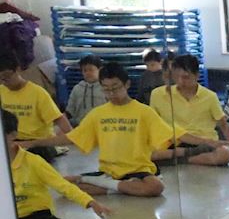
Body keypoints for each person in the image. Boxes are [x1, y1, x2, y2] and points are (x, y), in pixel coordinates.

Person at [26, 63, 171, 198]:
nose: (111, 93)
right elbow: (71, 138)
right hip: (109, 171)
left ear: (127, 84)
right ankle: (116, 187)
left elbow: (168, 135)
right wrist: (34, 143)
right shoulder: (98, 114)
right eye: (106, 89)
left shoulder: (144, 111)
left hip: (138, 169)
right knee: (63, 186)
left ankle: (105, 186)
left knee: (156, 187)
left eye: (115, 88)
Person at [5, 110, 111, 219]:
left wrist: (90, 202)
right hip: (8, 216)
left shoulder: (33, 161)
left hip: (35, 214)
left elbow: (63, 185)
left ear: (13, 135)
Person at [149, 54, 229, 167]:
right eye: (176, 77)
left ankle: (180, 159)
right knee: (145, 152)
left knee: (226, 154)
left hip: (204, 142)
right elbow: (153, 125)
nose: (180, 81)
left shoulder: (209, 96)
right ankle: (183, 157)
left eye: (186, 77)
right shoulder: (158, 94)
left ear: (197, 75)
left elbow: (224, 125)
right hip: (174, 142)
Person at [0, 50, 72, 161]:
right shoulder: (1, 91)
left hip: (37, 143)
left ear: (18, 69)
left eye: (7, 77)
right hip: (11, 142)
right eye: (0, 79)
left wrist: (73, 138)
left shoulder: (37, 93)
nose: (4, 82)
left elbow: (58, 119)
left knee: (33, 156)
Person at [64, 55, 107, 125]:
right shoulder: (77, 89)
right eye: (84, 70)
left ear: (100, 70)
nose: (88, 73)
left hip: (102, 126)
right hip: (80, 126)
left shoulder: (106, 88)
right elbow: (70, 110)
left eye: (91, 69)